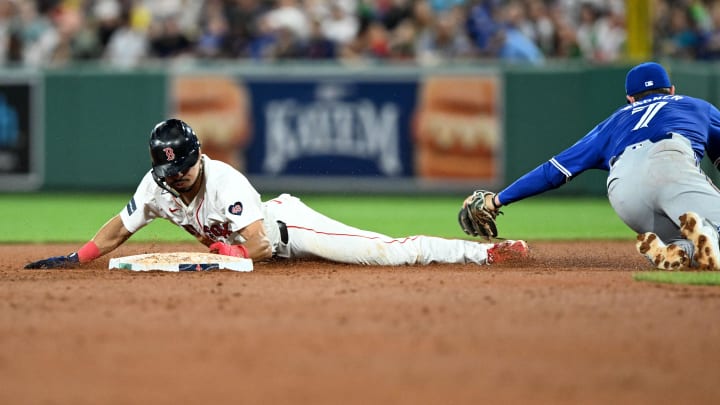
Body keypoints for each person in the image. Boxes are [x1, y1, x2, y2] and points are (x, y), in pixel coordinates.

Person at [25, 119, 528, 270]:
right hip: (260, 246)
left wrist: (223, 252)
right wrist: (77, 257)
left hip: (286, 228)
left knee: (383, 254)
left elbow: (261, 246)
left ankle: (480, 253)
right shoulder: (156, 184)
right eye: (166, 171)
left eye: (180, 168)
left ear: (197, 155)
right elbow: (120, 226)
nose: (173, 178)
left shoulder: (227, 181)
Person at [458, 61, 720, 271]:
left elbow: (553, 172)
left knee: (689, 239)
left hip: (623, 192)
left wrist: (497, 201)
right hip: (670, 161)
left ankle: (677, 252)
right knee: (708, 230)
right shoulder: (696, 106)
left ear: (630, 98)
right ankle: (701, 240)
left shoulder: (611, 122)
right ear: (672, 90)